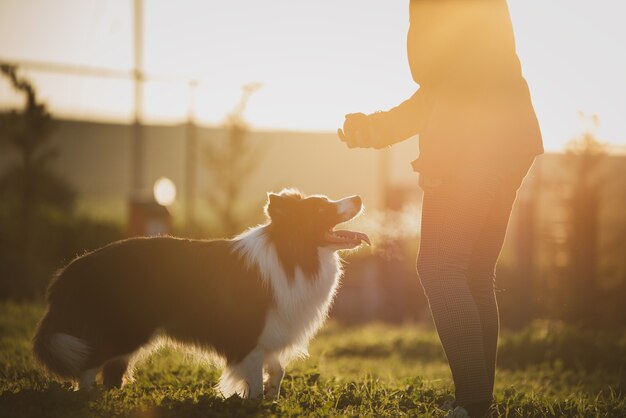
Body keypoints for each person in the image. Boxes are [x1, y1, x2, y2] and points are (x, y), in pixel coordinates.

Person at [338, 1, 543, 417]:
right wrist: (375, 129)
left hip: (473, 147)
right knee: (473, 275)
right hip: (511, 142)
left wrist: (441, 157)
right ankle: (478, 400)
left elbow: (458, 84)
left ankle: (472, 404)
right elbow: (441, 90)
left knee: (438, 268)